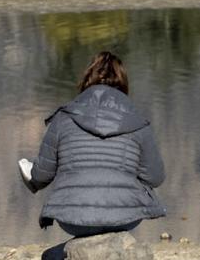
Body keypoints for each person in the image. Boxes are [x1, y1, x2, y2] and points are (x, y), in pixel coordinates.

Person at [21, 50, 167, 240]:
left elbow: (41, 176)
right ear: (123, 83)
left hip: (72, 220)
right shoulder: (138, 122)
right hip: (124, 218)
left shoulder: (63, 118)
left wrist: (26, 168)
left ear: (86, 80)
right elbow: (155, 178)